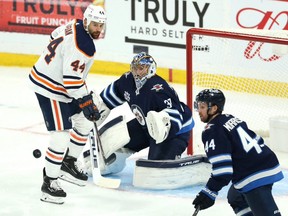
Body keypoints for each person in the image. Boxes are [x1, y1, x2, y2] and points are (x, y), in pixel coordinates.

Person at [28, 4, 106, 204]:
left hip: (61, 85)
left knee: (85, 122)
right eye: (95, 24)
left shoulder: (76, 25)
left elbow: (54, 35)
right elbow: (71, 81)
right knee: (61, 137)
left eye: (101, 25)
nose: (99, 29)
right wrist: (86, 101)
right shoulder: (84, 45)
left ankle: (67, 163)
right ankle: (49, 183)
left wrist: (85, 100)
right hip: (51, 89)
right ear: (87, 21)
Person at [88, 52, 194, 175]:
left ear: (150, 69)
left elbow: (176, 117)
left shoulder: (159, 89)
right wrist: (95, 108)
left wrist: (161, 137)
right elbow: (108, 98)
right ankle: (110, 163)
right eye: (135, 68)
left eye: (141, 68)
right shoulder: (127, 81)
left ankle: (170, 156)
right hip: (145, 125)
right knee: (116, 138)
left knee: (155, 172)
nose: (137, 72)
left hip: (174, 131)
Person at [192, 88, 284, 216]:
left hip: (254, 174)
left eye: (202, 107)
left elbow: (223, 171)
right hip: (266, 162)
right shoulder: (230, 118)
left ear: (213, 108)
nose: (198, 111)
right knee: (236, 197)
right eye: (198, 106)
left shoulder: (212, 130)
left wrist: (209, 192)